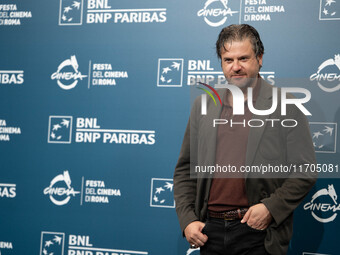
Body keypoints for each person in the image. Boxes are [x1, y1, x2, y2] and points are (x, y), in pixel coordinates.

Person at [173, 24, 317, 255]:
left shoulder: (286, 105)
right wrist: (188, 219)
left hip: (260, 233)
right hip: (210, 233)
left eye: (243, 58)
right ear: (221, 62)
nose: (236, 67)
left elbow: (305, 170)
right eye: (228, 60)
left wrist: (271, 208)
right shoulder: (203, 105)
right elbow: (185, 170)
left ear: (260, 58)